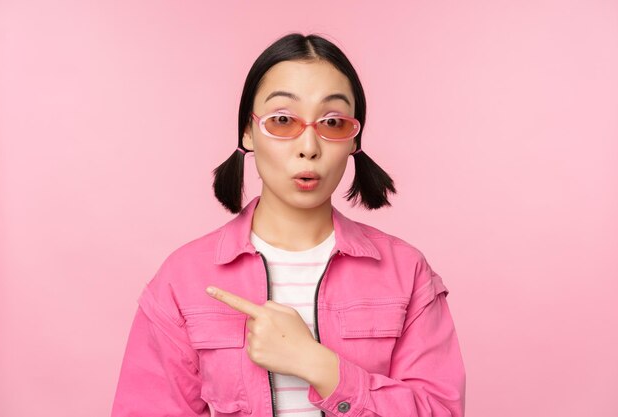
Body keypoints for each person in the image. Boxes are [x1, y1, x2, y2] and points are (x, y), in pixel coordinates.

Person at [110, 32, 466, 417]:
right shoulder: (184, 278)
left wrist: (318, 365)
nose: (309, 147)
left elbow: (440, 411)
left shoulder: (406, 271)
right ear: (247, 131)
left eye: (332, 122)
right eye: (282, 120)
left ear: (353, 139)